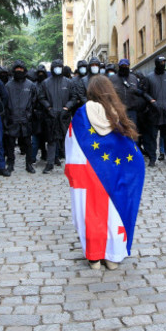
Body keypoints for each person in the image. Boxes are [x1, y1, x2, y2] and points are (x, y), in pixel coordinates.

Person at [64, 75, 144, 270]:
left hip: (87, 175)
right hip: (113, 176)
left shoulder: (81, 115)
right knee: (113, 215)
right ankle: (113, 257)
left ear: (90, 92)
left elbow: (71, 143)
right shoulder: (116, 115)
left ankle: (94, 258)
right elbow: (128, 151)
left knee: (90, 214)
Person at [38, 59, 77, 174]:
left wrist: (67, 108)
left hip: (64, 116)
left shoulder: (68, 82)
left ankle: (71, 164)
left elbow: (74, 97)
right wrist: (48, 108)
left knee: (67, 140)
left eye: (60, 66)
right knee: (51, 140)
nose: (58, 68)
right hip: (51, 115)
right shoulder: (46, 83)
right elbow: (41, 97)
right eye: (56, 66)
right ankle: (50, 163)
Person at [144, 56, 166, 167]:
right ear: (156, 63)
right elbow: (144, 92)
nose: (163, 63)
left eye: (165, 62)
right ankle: (152, 158)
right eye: (161, 62)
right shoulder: (149, 77)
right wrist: (152, 101)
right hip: (154, 111)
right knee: (152, 136)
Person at [3, 60, 37, 174]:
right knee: (10, 144)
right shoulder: (8, 85)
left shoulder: (30, 85)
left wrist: (29, 114)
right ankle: (10, 165)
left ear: (24, 70)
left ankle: (29, 165)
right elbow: (4, 102)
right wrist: (7, 117)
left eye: (21, 69)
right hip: (12, 119)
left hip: (25, 119)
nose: (19, 71)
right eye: (17, 69)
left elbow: (34, 101)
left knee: (28, 144)